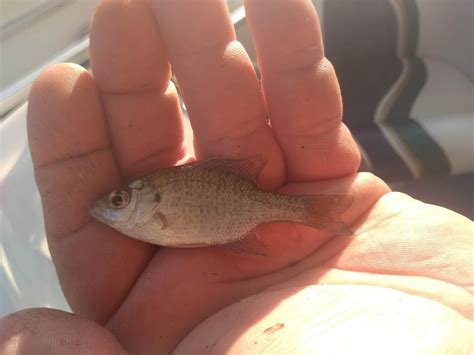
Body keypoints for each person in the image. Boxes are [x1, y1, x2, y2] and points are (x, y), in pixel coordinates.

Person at [1, 0, 472, 354]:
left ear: (143, 202)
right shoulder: (152, 218)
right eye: (117, 202)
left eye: (120, 201)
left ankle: (318, 215)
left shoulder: (155, 217)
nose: (111, 206)